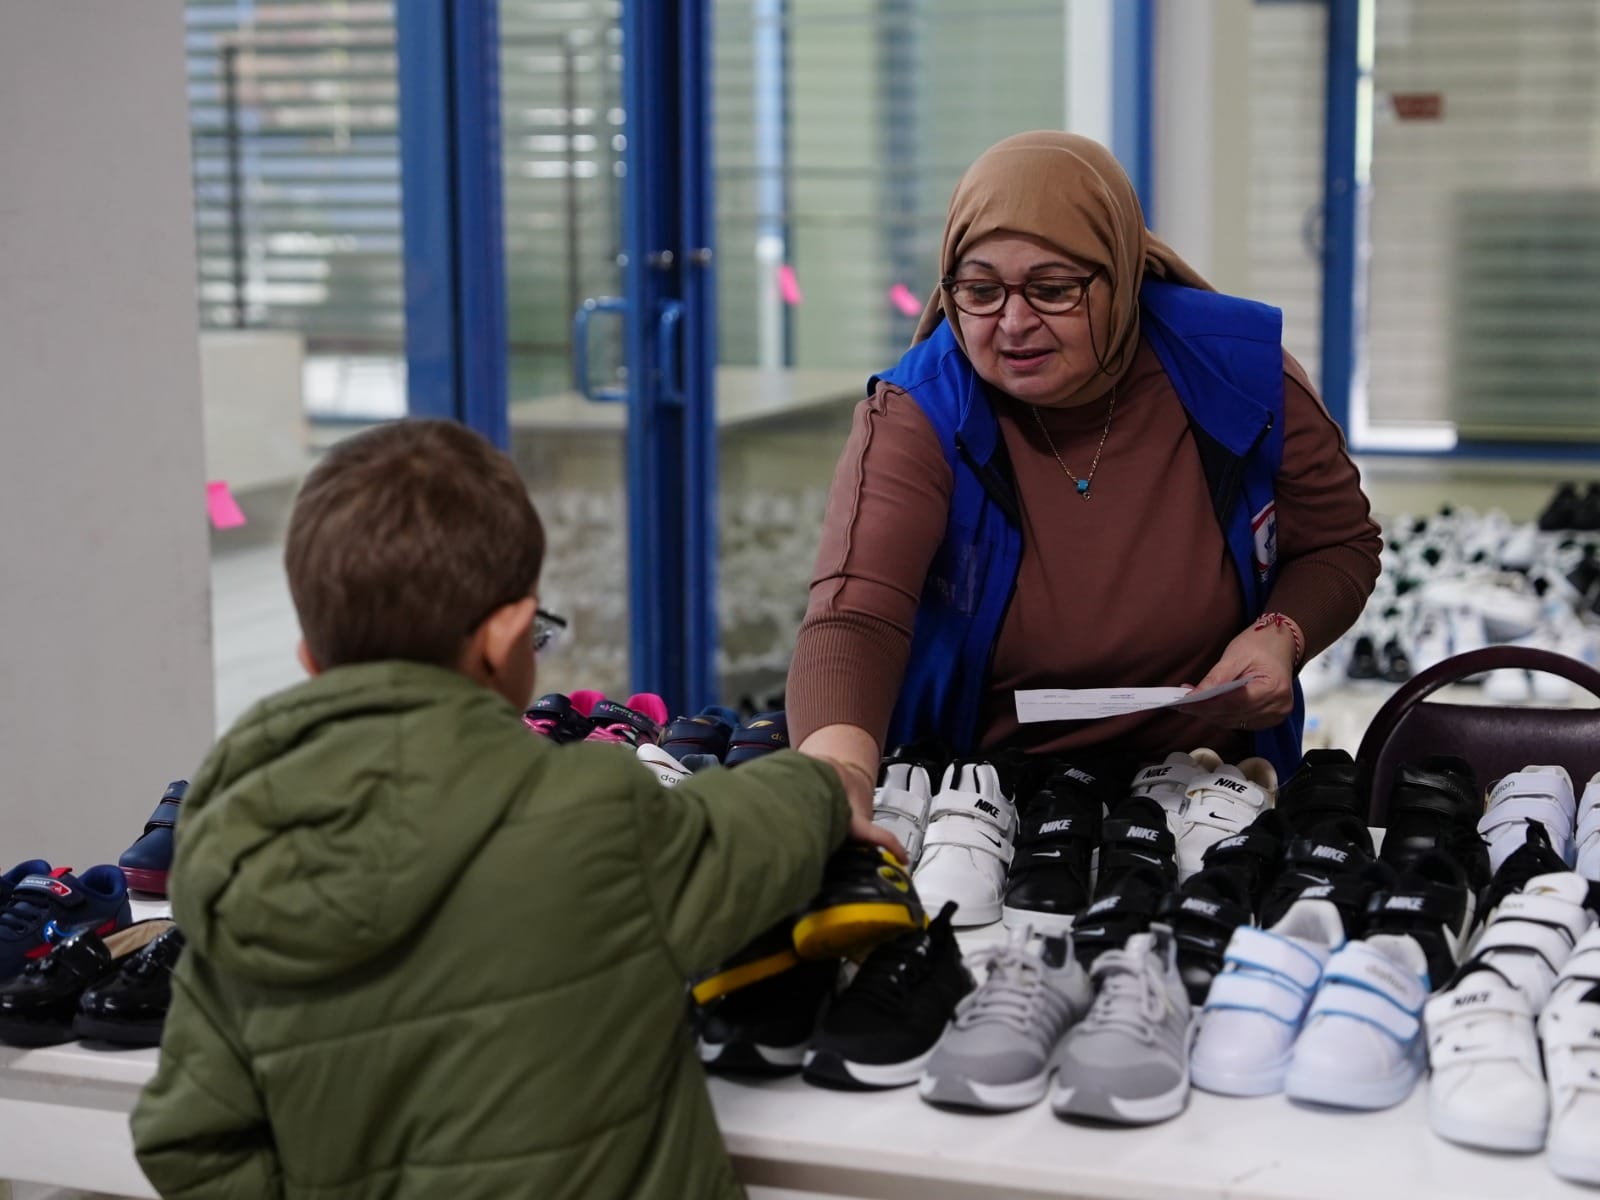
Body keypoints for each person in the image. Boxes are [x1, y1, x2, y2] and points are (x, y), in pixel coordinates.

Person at [130, 419, 884, 1200]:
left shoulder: (237, 861)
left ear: (311, 661)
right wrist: (827, 780)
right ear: (506, 638)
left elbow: (187, 1140)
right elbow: (749, 831)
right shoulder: (592, 816)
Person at [788, 131, 1381, 784]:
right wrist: (838, 778)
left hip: (1208, 783)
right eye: (981, 291)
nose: (1014, 322)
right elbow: (856, 615)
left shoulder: (1236, 375)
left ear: (1121, 274)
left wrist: (1281, 631)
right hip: (982, 790)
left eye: (1052, 289)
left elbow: (1337, 543)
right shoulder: (921, 412)